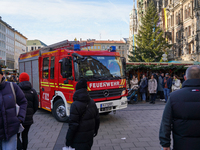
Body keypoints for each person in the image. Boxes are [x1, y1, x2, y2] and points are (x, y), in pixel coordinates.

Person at [159, 65, 200, 150]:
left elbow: (166, 122)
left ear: (185, 78)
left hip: (182, 144)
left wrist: (165, 144)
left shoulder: (174, 96)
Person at [65, 78, 100, 150]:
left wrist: (68, 140)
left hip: (78, 139)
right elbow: (97, 119)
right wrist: (95, 131)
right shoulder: (92, 102)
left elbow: (73, 125)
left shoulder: (75, 105)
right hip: (89, 138)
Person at [0, 67, 27, 150]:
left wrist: (20, 118)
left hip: (10, 131)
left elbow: (23, 102)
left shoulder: (12, 87)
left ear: (2, 75)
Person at [17, 72, 38, 150]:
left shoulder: (16, 90)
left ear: (20, 80)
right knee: (25, 135)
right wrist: (31, 113)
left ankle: (19, 148)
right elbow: (36, 106)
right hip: (28, 119)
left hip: (18, 118)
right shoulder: (33, 91)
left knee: (16, 136)